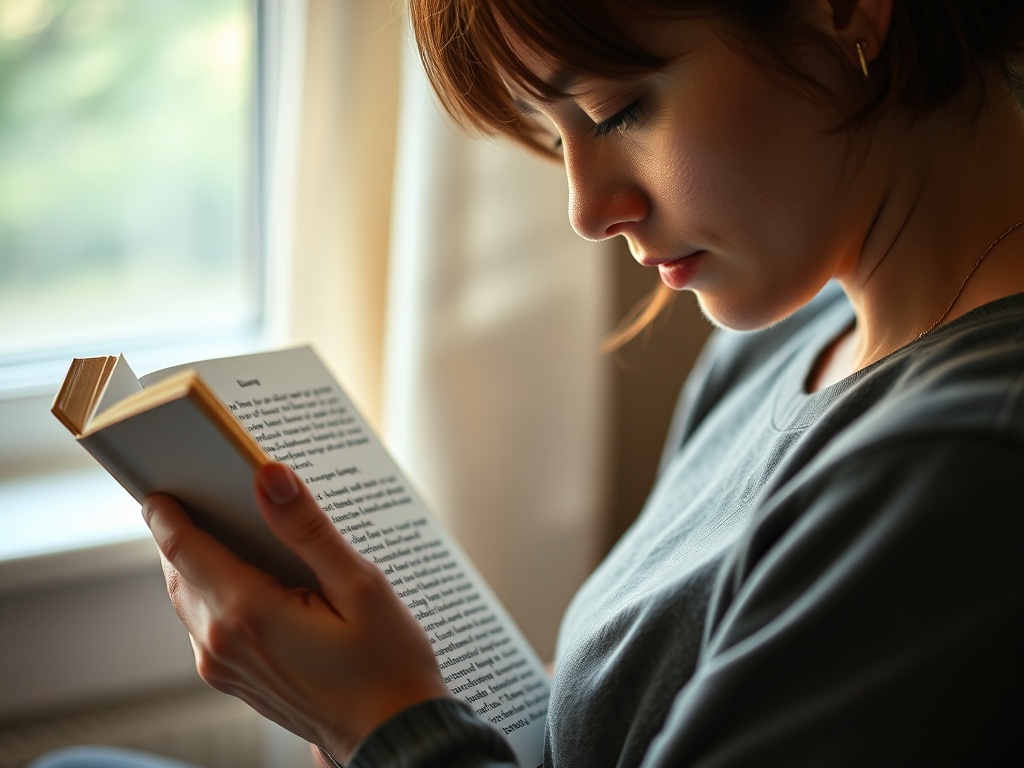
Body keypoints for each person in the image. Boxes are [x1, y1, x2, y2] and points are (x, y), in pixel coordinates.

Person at [33, 0, 1024, 766]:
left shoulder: (959, 461)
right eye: (558, 138)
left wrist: (385, 723)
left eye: (618, 109)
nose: (588, 209)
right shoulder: (789, 337)